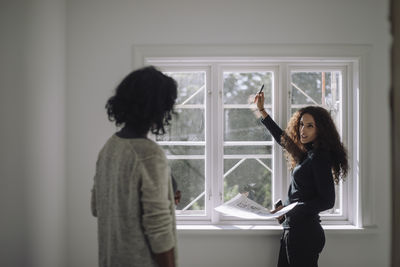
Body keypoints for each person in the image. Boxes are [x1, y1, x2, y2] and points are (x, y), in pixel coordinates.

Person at [91, 66, 178, 267]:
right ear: (158, 107)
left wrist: (164, 196)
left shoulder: (109, 148)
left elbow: (96, 207)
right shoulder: (148, 153)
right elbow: (159, 232)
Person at [254, 92, 348, 267]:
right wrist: (262, 111)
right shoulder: (308, 154)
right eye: (302, 124)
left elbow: (327, 201)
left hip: (304, 233)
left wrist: (289, 210)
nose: (303, 130)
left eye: (310, 126)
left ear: (321, 129)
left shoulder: (319, 157)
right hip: (294, 230)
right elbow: (284, 140)